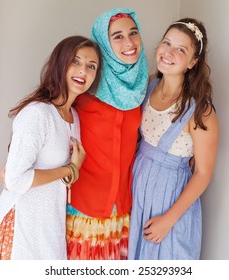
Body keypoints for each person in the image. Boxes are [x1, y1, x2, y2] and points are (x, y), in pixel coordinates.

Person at [0, 36, 102, 260]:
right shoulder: (38, 113)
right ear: (60, 63)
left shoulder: (74, 116)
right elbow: (15, 179)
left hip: (49, 225)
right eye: (76, 61)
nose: (83, 70)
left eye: (91, 66)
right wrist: (70, 170)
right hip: (21, 224)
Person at [128, 18, 219, 260]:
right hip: (138, 186)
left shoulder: (201, 110)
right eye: (166, 43)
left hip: (170, 199)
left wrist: (169, 220)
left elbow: (203, 173)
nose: (168, 52)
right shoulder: (149, 84)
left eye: (181, 49)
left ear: (192, 62)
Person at [66, 8, 149, 260]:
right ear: (104, 41)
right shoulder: (86, 81)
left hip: (123, 206)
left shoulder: (142, 85)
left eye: (133, 33)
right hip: (85, 206)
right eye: (117, 36)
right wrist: (14, 151)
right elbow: (48, 111)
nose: (129, 42)